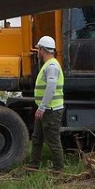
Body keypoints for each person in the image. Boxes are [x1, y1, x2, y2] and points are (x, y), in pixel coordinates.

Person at [29, 35, 64, 172]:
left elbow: (51, 87)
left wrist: (42, 107)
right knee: (36, 139)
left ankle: (58, 170)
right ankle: (33, 166)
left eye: (39, 49)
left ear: (42, 50)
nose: (38, 52)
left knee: (53, 141)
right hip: (44, 109)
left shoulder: (52, 66)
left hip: (50, 110)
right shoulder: (49, 65)